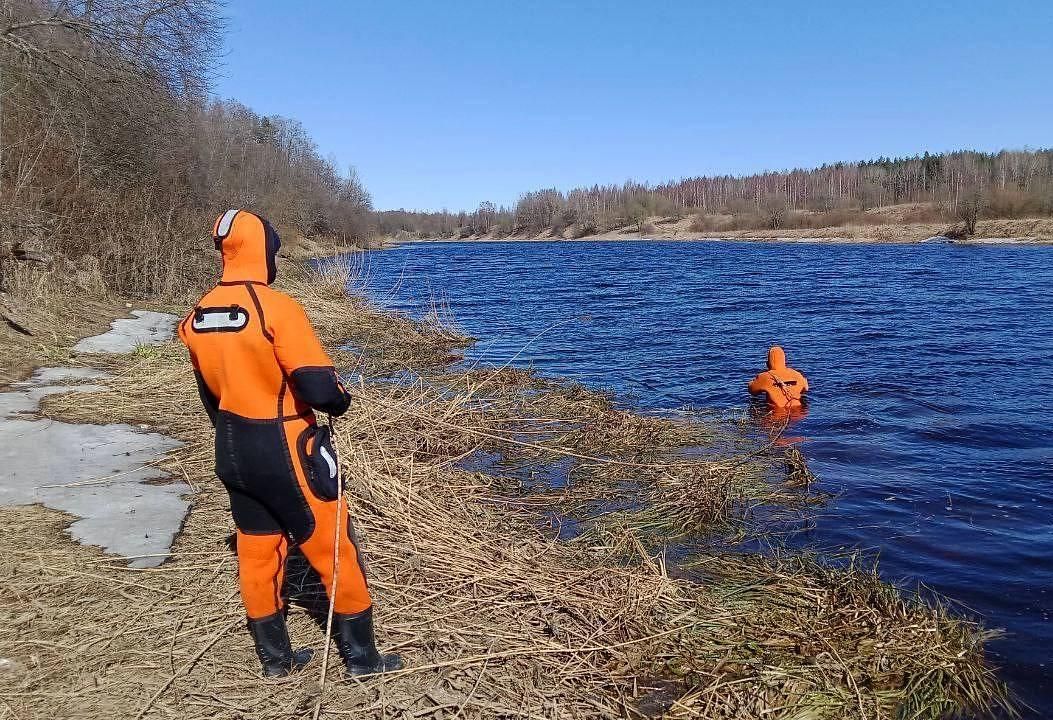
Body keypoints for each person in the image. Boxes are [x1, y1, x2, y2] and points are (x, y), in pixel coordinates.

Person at [178, 209, 402, 678]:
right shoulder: (276, 307)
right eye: (274, 251)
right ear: (264, 250)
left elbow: (208, 392)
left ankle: (275, 662)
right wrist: (341, 399)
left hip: (232, 446)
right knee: (335, 547)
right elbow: (321, 390)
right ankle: (363, 659)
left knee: (257, 551)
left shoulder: (196, 314)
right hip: (285, 442)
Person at [748, 345, 809, 409]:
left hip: (776, 413)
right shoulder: (797, 374)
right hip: (798, 413)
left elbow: (752, 390)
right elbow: (806, 388)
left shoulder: (764, 377)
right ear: (784, 360)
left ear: (767, 363)